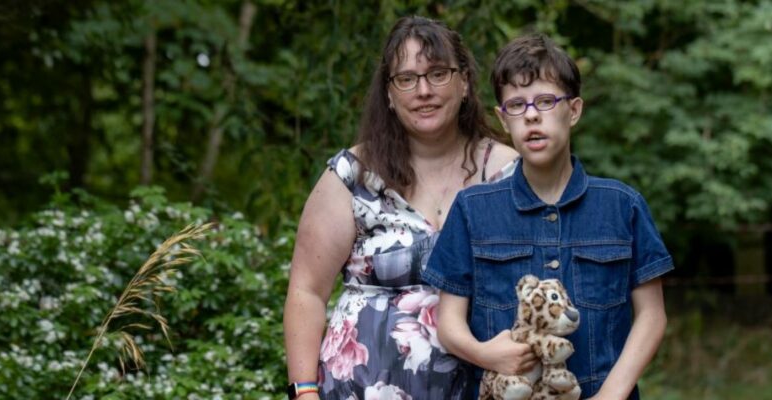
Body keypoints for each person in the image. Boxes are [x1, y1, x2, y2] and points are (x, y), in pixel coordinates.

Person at [423, 34, 672, 399]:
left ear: (573, 110)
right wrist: (484, 353)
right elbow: (449, 322)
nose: (532, 115)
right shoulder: (472, 209)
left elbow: (652, 317)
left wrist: (612, 394)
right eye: (517, 106)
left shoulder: (623, 205)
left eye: (545, 101)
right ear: (503, 120)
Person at [282, 16, 520, 400]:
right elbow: (306, 291)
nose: (423, 90)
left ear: (464, 84)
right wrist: (304, 392)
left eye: (438, 74)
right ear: (389, 95)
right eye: (406, 79)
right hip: (356, 390)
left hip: (483, 389)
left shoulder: (508, 174)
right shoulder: (352, 175)